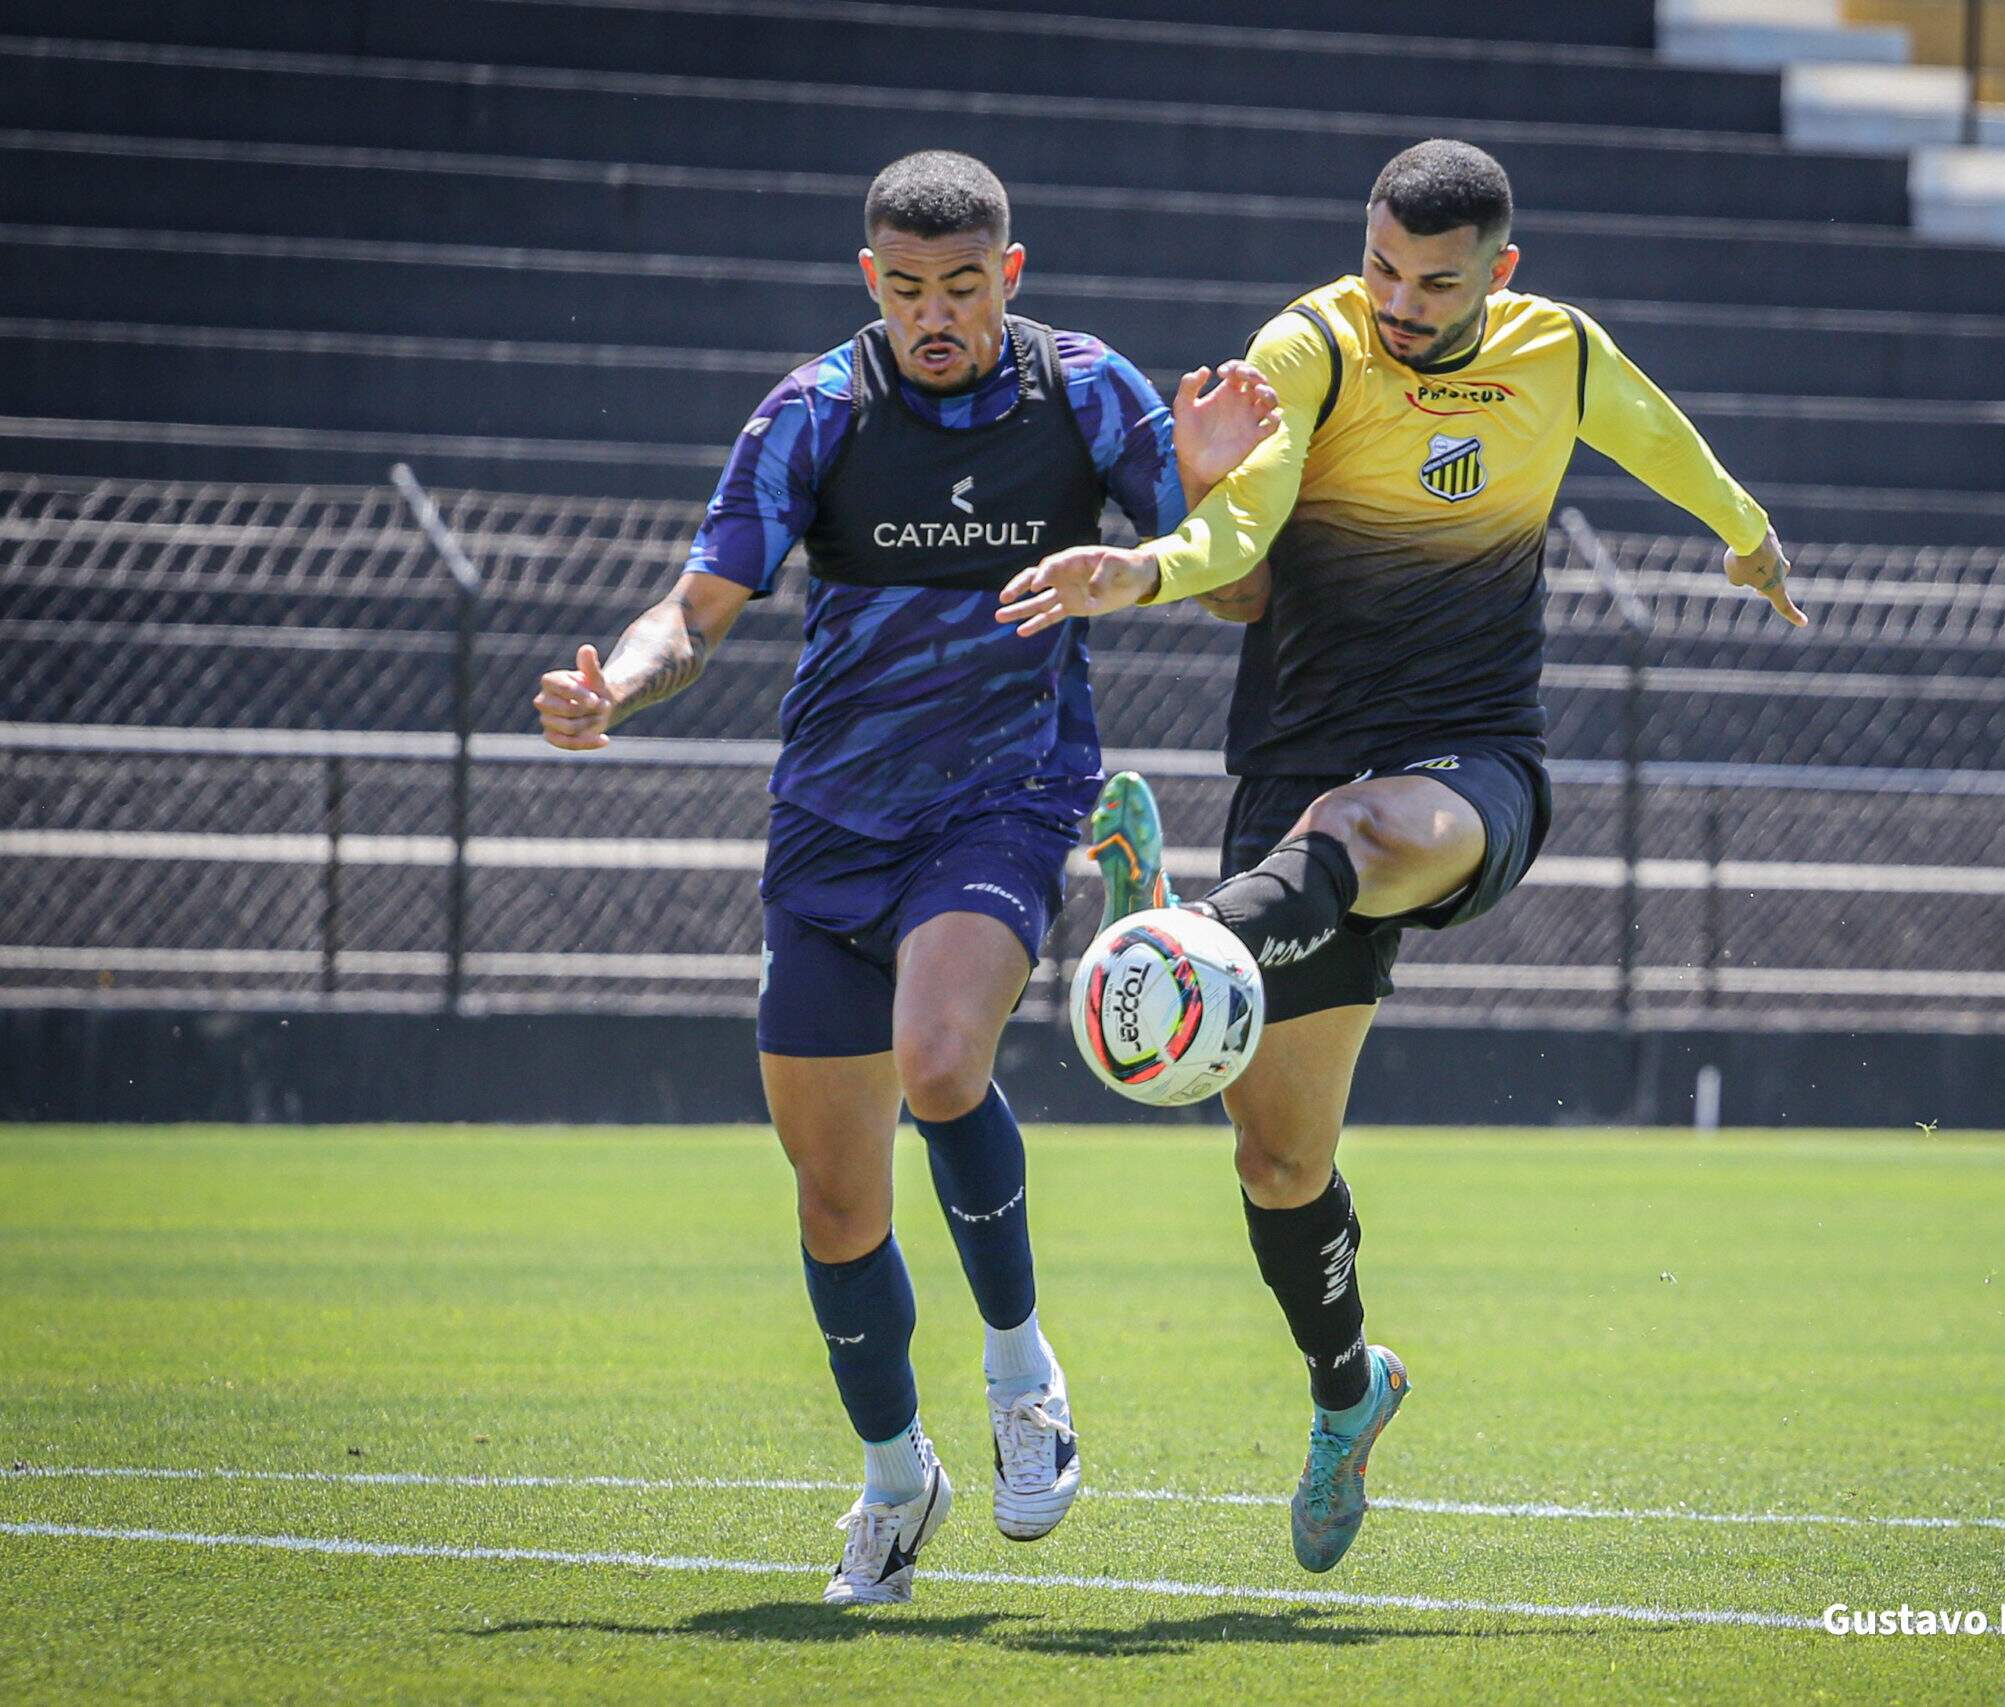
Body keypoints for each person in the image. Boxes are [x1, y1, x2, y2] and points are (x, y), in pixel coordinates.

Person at [997, 138, 1804, 1574]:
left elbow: (1663, 439)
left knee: (1363, 835)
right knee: (1276, 1156)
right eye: (1381, 265)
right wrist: (1153, 562)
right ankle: (1349, 1390)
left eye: (1433, 281)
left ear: (1502, 270)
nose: (1399, 299)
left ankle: (1179, 934)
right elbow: (1246, 517)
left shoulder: (1557, 356)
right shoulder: (1308, 345)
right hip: (1295, 752)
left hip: (1469, 760)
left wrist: (1747, 536)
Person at [531, 149, 1277, 1607]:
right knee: (834, 1206)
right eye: (908, 289)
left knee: (940, 1062)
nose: (937, 314)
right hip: (829, 824)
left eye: (965, 287)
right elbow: (697, 609)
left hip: (1007, 794)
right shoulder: (816, 408)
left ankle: (1022, 1376)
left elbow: (1238, 588)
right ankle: (893, 1481)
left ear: (1013, 274)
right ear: (871, 281)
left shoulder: (1087, 392)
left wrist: (1208, 484)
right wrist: (613, 686)